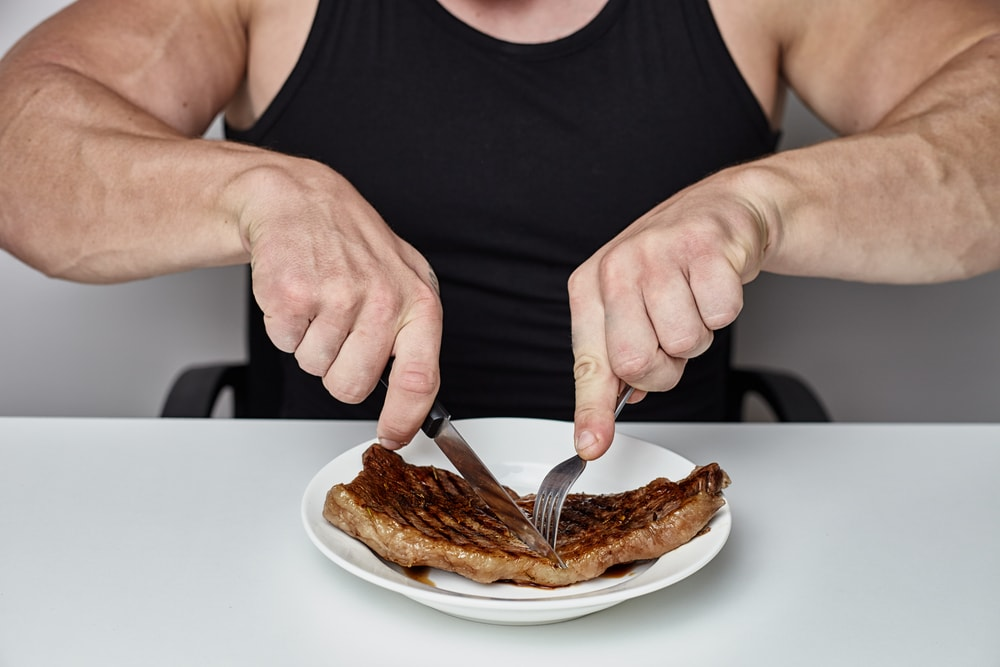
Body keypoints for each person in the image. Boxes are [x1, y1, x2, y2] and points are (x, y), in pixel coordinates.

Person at [1, 0, 999, 460]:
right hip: (309, 537)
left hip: (651, 553)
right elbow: (20, 140)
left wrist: (765, 204)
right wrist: (257, 190)